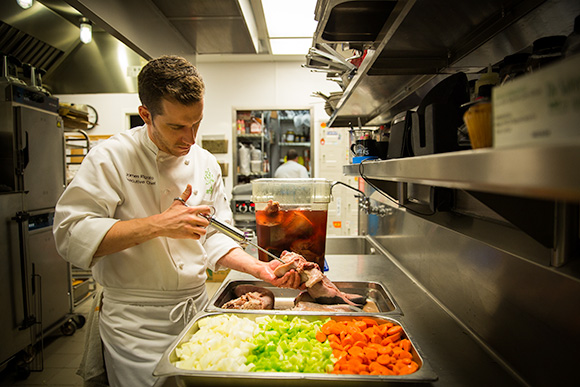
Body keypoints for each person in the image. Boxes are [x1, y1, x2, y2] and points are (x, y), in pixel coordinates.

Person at [53, 55, 301, 387]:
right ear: (146, 115)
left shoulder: (206, 163)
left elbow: (214, 236)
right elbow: (71, 235)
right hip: (135, 322)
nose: (190, 138)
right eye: (176, 126)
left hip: (197, 310)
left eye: (196, 123)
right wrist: (158, 224)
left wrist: (258, 269)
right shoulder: (110, 157)